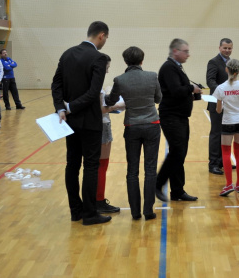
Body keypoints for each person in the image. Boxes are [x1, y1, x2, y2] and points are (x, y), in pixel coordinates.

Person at [51, 21, 111, 226]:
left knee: (72, 165)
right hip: (90, 122)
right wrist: (71, 107)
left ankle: (75, 211)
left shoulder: (67, 54)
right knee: (91, 166)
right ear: (101, 36)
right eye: (106, 39)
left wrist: (61, 107)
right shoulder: (99, 58)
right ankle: (90, 214)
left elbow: (56, 84)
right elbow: (94, 92)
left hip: (69, 122)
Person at [106, 47, 162, 220]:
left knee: (132, 171)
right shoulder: (152, 76)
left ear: (125, 61)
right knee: (150, 169)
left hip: (132, 126)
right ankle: (148, 210)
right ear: (141, 60)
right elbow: (158, 99)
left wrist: (109, 92)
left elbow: (110, 101)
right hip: (152, 124)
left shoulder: (120, 79)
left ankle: (135, 212)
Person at [156, 38, 200, 202]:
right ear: (176, 51)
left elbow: (179, 92)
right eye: (185, 51)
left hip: (180, 116)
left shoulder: (176, 67)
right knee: (177, 151)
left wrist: (194, 93)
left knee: (180, 153)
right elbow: (175, 91)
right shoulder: (168, 68)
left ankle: (177, 191)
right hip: (171, 116)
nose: (188, 55)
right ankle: (158, 183)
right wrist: (191, 88)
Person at [213, 59, 239, 195]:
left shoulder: (221, 88)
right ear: (238, 71)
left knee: (226, 153)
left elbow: (218, 110)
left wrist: (223, 104)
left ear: (226, 69)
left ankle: (229, 184)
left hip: (228, 121)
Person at [95, 54, 124, 215]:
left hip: (91, 126)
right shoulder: (96, 84)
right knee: (102, 165)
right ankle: (99, 200)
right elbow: (101, 109)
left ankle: (94, 199)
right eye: (106, 68)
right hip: (102, 125)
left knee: (94, 165)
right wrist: (119, 105)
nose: (107, 71)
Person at [206, 38, 233, 175]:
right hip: (217, 102)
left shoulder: (231, 63)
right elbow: (210, 80)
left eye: (229, 48)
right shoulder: (213, 62)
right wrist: (222, 93)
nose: (227, 50)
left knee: (226, 133)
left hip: (230, 104)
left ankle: (223, 160)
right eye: (225, 48)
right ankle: (213, 163)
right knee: (216, 133)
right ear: (219, 48)